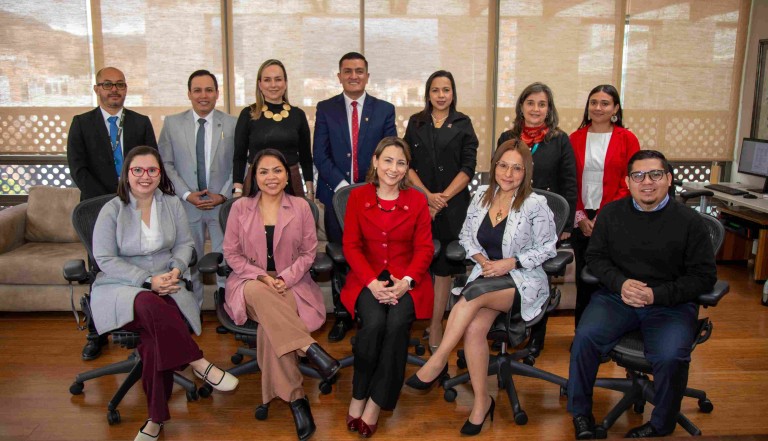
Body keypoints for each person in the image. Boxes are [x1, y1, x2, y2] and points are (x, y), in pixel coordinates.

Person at [407, 139, 557, 436]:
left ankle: (438, 360)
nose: (508, 174)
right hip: (487, 275)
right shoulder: (481, 197)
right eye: (503, 166)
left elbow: (548, 248)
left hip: (522, 280)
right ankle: (481, 402)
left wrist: (509, 263)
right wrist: (483, 261)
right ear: (494, 166)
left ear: (526, 171)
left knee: (471, 295)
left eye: (517, 168)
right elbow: (466, 236)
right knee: (474, 329)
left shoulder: (535, 204)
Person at [90, 146, 238, 441]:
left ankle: (155, 420)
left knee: (154, 342)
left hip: (168, 282)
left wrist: (176, 269)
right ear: (127, 174)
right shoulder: (112, 209)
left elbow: (185, 245)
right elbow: (104, 258)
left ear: (160, 174)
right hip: (121, 286)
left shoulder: (171, 204)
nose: (145, 176)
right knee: (148, 302)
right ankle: (198, 362)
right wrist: (147, 281)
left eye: (152, 170)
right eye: (138, 170)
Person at [568, 150, 717, 439]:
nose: (646, 182)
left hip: (670, 304)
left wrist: (655, 295)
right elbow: (595, 258)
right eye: (638, 176)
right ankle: (581, 414)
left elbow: (704, 276)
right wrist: (621, 283)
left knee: (671, 356)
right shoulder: (611, 214)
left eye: (655, 174)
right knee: (584, 339)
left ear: (669, 179)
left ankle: (661, 425)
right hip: (617, 298)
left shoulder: (689, 221)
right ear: (628, 182)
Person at [222, 148, 340, 441]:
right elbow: (231, 254)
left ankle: (296, 398)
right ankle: (309, 349)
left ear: (287, 175)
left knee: (270, 326)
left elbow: (309, 253)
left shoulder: (301, 207)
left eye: (277, 170)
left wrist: (284, 278)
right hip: (249, 281)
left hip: (291, 282)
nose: (271, 177)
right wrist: (262, 276)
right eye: (263, 171)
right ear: (254, 177)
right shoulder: (240, 208)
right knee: (260, 293)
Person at [342, 137, 434, 438]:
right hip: (366, 278)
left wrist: (406, 283)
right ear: (375, 161)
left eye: (401, 163)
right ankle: (359, 393)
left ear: (407, 168)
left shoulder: (417, 200)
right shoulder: (357, 197)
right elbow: (351, 246)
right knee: (373, 325)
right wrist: (371, 282)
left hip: (406, 281)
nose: (393, 168)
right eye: (388, 161)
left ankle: (376, 402)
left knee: (396, 326)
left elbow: (425, 249)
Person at [67, 66, 158, 361]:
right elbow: (78, 169)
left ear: (126, 88)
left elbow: (151, 164)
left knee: (138, 262)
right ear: (97, 89)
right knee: (99, 269)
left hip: (137, 205)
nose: (114, 89)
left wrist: (132, 196)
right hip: (96, 209)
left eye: (119, 84)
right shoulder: (81, 124)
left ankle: (142, 326)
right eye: (107, 84)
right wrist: (111, 201)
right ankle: (97, 333)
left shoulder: (140, 122)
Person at [313, 51, 397, 342]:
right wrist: (342, 188)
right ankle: (342, 314)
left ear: (367, 76)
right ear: (339, 76)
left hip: (375, 198)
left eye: (359, 71)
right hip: (335, 197)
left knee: (372, 256)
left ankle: (372, 314)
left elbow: (390, 152)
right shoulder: (326, 109)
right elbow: (319, 154)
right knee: (340, 256)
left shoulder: (384, 110)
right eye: (347, 71)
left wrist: (366, 188)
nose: (353, 76)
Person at [497, 82, 577, 356]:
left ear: (549, 109)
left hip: (547, 221)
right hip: (512, 219)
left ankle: (535, 337)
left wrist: (566, 225)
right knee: (509, 272)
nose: (535, 109)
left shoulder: (559, 139)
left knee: (538, 275)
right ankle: (507, 329)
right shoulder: (508, 137)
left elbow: (569, 183)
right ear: (521, 106)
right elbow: (498, 177)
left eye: (542, 104)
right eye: (530, 103)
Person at [403, 70, 478, 353]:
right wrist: (427, 196)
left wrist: (441, 199)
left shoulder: (463, 123)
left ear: (453, 93)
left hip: (453, 206)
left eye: (446, 90)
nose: (441, 95)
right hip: (419, 202)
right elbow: (407, 164)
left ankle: (436, 324)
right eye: (435, 90)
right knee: (418, 260)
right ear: (428, 94)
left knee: (444, 265)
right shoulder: (416, 122)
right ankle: (413, 320)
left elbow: (468, 168)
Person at [158, 69, 236, 307]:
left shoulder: (233, 124)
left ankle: (227, 307)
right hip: (186, 205)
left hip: (220, 206)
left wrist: (223, 195)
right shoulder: (172, 124)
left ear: (217, 93)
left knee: (225, 260)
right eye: (198, 90)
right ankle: (193, 309)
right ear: (189, 94)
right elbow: (166, 163)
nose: (204, 95)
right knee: (190, 260)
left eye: (209, 90)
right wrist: (186, 194)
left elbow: (239, 164)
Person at [570, 84, 640, 327]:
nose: (598, 108)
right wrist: (580, 217)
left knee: (609, 277)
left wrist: (604, 216)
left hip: (615, 215)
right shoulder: (575, 138)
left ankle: (609, 333)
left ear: (615, 108)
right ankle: (582, 334)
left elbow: (630, 180)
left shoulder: (627, 138)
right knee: (584, 278)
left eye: (605, 103)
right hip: (582, 217)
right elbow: (569, 180)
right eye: (593, 102)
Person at [232, 59, 313, 199]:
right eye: (267, 80)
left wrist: (310, 192)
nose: (273, 85)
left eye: (278, 79)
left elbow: (306, 158)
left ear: (285, 83)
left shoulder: (298, 115)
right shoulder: (248, 114)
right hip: (257, 185)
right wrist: (237, 191)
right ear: (260, 84)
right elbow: (239, 157)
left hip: (292, 186)